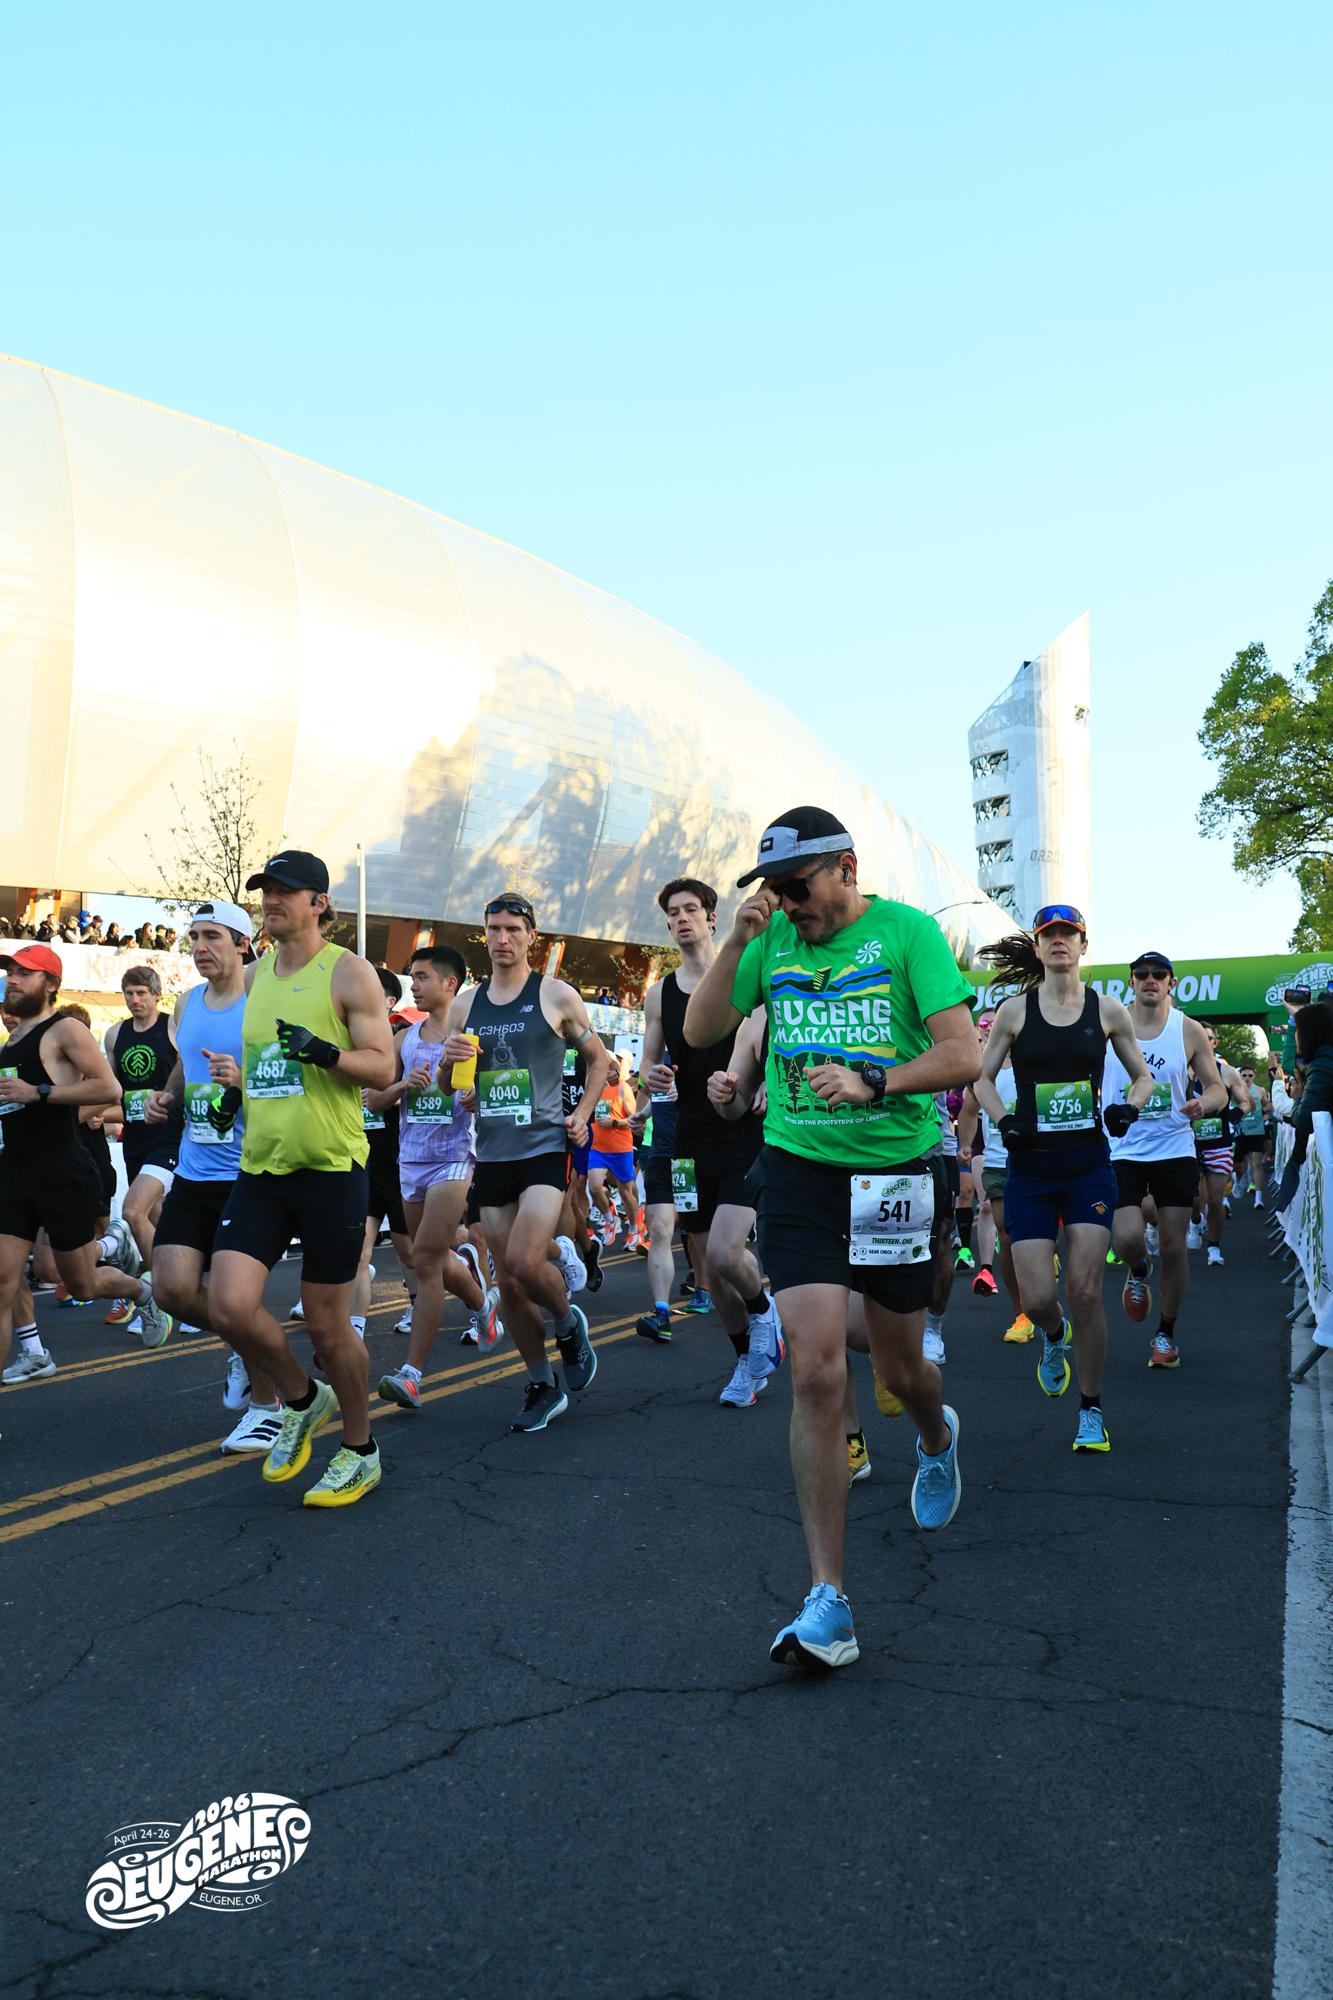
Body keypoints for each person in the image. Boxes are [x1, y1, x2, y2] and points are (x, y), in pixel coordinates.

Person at [685, 807, 978, 1669]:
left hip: (891, 1174)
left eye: (796, 886)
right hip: (799, 1170)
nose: (786, 902)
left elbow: (962, 1053)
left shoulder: (907, 933)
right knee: (814, 1373)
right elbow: (701, 1031)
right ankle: (828, 1602)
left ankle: (935, 1436)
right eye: (773, 889)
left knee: (898, 1369)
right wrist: (736, 942)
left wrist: (874, 1080)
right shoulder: (771, 938)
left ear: (845, 867)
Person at [204, 851, 396, 1507]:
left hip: (330, 1170)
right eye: (267, 890)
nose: (272, 900)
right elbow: (263, 1062)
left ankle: (360, 1450)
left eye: (286, 891)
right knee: (228, 1306)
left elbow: (382, 1066)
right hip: (261, 1167)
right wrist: (236, 1097)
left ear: (319, 903)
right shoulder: (256, 974)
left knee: (327, 1327)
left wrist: (323, 1052)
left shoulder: (348, 972)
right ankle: (302, 1397)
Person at [977, 905, 1152, 1455]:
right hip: (1030, 1169)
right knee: (1036, 1298)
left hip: (1087, 1168)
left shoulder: (1108, 1010)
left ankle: (1091, 1409)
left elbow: (1143, 1077)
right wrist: (1004, 1120)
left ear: (1082, 946)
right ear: (1037, 947)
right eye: (1048, 934)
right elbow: (981, 1080)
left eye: (1068, 934)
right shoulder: (1014, 1012)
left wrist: (1129, 1108)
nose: (1058, 942)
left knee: (1084, 1290)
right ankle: (1054, 1335)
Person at [441, 892, 609, 1434]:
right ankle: (541, 1383)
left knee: (521, 1259)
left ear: (531, 936)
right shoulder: (466, 1005)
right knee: (510, 1284)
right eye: (494, 929)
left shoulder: (555, 995)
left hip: (544, 1147)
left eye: (513, 929)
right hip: (493, 1152)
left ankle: (566, 1323)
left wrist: (582, 1113)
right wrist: (451, 1072)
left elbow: (599, 1060)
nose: (502, 938)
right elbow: (450, 1086)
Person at [145, 901, 286, 1453]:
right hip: (195, 1167)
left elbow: (288, 1081)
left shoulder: (263, 1001)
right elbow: (188, 1063)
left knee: (239, 1302)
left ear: (243, 944)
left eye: (212, 937)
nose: (200, 947)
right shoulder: (187, 1002)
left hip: (250, 1174)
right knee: (172, 1290)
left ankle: (268, 1408)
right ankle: (244, 1348)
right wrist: (167, 1095)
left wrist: (243, 1080)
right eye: (194, 937)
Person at [641, 876, 781, 1406]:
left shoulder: (749, 974)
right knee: (709, 1265)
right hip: (687, 1137)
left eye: (690, 909)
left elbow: (771, 1043)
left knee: (725, 1251)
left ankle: (764, 1310)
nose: (681, 918)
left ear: (712, 918)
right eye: (673, 912)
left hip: (744, 1131)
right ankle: (745, 1361)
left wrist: (766, 1082)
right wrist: (652, 1076)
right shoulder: (661, 992)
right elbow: (648, 1063)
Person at [0, 944, 168, 1383]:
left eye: (25, 973)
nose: (13, 979)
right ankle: (33, 1355)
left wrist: (38, 1092)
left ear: (50, 984)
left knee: (80, 1284)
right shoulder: (10, 1042)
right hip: (14, 1172)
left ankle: (142, 1291)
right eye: (11, 971)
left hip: (61, 1172)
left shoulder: (65, 1030)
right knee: (4, 1279)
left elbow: (109, 1088)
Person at [375, 945, 500, 1411]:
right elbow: (372, 1100)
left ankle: (411, 1375)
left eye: (422, 977)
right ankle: (482, 1305)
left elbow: (504, 1089)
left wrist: (479, 1098)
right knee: (425, 1256)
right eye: (412, 977)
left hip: (456, 1156)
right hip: (410, 1159)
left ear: (451, 983)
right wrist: (400, 1086)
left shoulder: (472, 1036)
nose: (414, 985)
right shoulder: (403, 1039)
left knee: (426, 1261)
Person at [1101, 952, 1228, 1370]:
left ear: (1171, 982)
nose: (1150, 980)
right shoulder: (1111, 1024)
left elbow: (1217, 1088)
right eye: (1142, 974)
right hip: (1122, 1147)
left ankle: (1165, 1334)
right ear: (1131, 982)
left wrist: (1204, 1103)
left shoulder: (1187, 1029)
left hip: (1173, 1146)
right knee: (1125, 1238)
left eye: (1159, 974)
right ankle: (1139, 1269)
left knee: (1174, 1247)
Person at [104, 966, 184, 1289]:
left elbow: (188, 1068)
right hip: (135, 1138)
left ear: (156, 995)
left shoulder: (172, 1027)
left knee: (134, 1210)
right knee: (155, 1215)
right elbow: (110, 1087)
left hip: (170, 1136)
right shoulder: (115, 1035)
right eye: (129, 993)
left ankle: (158, 1291)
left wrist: (167, 1097)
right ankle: (184, 1275)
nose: (135, 1000)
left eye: (141, 993)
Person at [1187, 1025, 1252, 1266]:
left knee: (1215, 1199)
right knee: (1193, 1197)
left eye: (1209, 1038)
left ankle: (1214, 1247)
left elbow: (1246, 1102)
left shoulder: (1226, 1072)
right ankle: (1195, 1220)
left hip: (1218, 1143)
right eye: (1200, 1036)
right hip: (1187, 1142)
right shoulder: (1182, 1069)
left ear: (1215, 1042)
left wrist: (1234, 1116)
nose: (1204, 1041)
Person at [586, 1049, 642, 1247]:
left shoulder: (623, 1088)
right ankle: (611, 1220)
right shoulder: (596, 1087)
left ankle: (634, 1229)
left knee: (626, 1192)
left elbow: (635, 1119)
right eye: (606, 1069)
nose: (608, 1073)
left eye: (612, 1069)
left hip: (620, 1148)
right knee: (594, 1187)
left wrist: (614, 1123)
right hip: (598, 1147)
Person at [1233, 1063, 1270, 1208]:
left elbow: (1269, 1105)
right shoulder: (1234, 1090)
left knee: (1257, 1163)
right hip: (1240, 1131)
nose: (1247, 1078)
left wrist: (1262, 1111)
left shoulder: (1260, 1090)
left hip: (1256, 1131)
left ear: (1254, 1076)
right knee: (1239, 1165)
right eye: (1244, 1075)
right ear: (1239, 1076)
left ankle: (1258, 1199)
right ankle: (1239, 1179)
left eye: (1250, 1075)